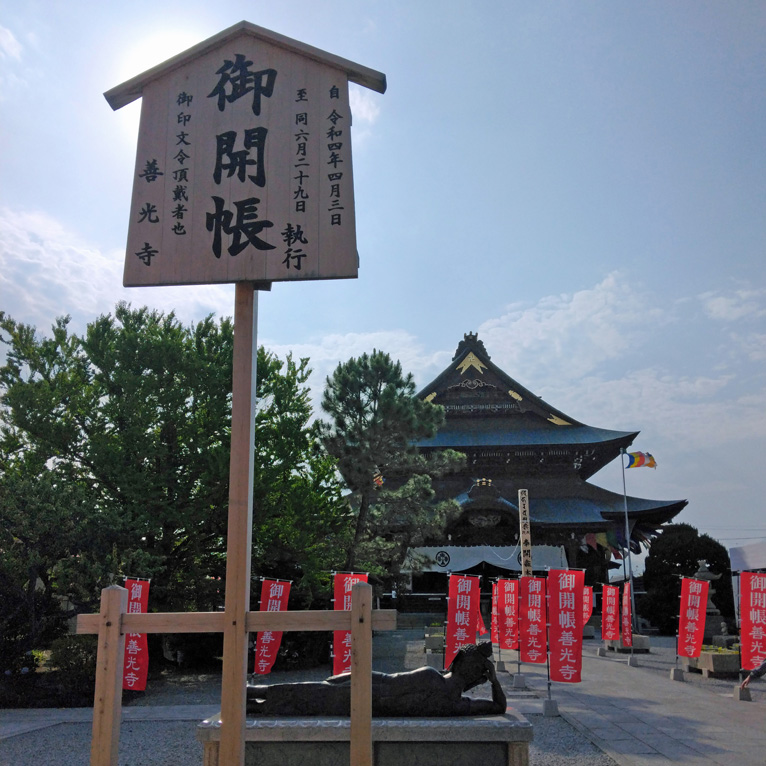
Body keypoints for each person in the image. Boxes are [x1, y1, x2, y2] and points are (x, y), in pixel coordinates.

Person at [246, 641, 506, 717]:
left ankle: (255, 695)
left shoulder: (435, 679)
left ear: (457, 662)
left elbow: (387, 679)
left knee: (309, 694)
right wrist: (494, 681)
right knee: (308, 701)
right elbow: (498, 707)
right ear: (477, 679)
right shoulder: (456, 704)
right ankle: (254, 703)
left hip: (367, 692)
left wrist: (351, 676)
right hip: (370, 700)